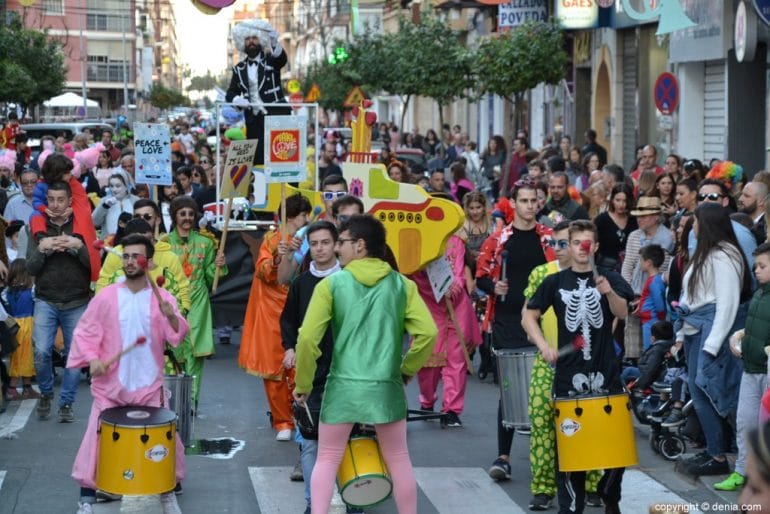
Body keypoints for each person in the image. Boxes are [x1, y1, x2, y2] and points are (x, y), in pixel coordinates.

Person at [294, 214, 438, 514]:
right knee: (398, 458)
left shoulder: (332, 284)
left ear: (360, 246)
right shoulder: (402, 285)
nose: (337, 249)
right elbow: (428, 333)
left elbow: (307, 339)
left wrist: (303, 384)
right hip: (386, 386)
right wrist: (406, 370)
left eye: (342, 243)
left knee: (328, 457)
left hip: (343, 387)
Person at [68, 234, 188, 514]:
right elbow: (86, 332)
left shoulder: (163, 297)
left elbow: (177, 336)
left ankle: (166, 494)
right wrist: (94, 358)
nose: (131, 261)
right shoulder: (106, 297)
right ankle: (86, 498)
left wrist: (170, 315)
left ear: (151, 262)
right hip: (111, 387)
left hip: (148, 387)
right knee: (95, 440)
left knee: (163, 441)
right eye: (127, 256)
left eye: (137, 256)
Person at [523, 219, 634, 514]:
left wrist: (608, 291)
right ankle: (571, 507)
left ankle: (609, 493)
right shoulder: (555, 282)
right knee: (571, 450)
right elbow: (529, 316)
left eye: (587, 243)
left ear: (595, 246)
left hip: (606, 374)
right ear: (569, 246)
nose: (582, 249)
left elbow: (623, 312)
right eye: (576, 243)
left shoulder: (609, 276)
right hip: (569, 378)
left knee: (614, 449)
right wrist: (544, 345)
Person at [476, 179, 556, 481]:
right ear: (513, 204)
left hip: (546, 321)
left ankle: (552, 455)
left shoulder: (550, 238)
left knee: (549, 389)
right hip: (508, 320)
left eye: (533, 200)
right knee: (510, 389)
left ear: (539, 202)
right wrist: (492, 286)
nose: (529, 206)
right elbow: (481, 276)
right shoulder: (498, 240)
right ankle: (503, 456)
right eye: (523, 200)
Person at [523, 221, 602, 510]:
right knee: (543, 425)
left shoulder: (596, 276)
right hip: (549, 366)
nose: (557, 249)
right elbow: (527, 317)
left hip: (585, 366)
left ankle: (592, 484)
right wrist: (544, 346)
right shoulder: (542, 275)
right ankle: (543, 488)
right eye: (553, 243)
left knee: (589, 426)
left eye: (562, 243)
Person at [677, 203, 752, 477]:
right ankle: (714, 450)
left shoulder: (725, 255)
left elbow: (728, 304)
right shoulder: (706, 252)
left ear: (705, 223)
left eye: (695, 221)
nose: (692, 226)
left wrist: (712, 344)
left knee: (711, 391)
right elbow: (690, 296)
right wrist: (679, 335)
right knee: (699, 392)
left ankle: (720, 454)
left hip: (711, 332)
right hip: (695, 328)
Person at [279, 220, 346, 513]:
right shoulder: (301, 283)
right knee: (309, 442)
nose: (320, 249)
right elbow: (288, 321)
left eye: (325, 243)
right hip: (310, 374)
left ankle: (354, 497)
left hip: (347, 372)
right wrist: (290, 348)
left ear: (337, 245)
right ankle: (312, 502)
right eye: (314, 244)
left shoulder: (350, 280)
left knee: (350, 440)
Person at [240, 194, 311, 440]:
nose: (307, 219)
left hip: (302, 305)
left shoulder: (311, 239)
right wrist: (279, 258)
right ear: (292, 215)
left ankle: (302, 416)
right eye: (304, 214)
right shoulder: (272, 240)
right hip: (272, 309)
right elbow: (262, 270)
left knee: (302, 364)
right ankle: (283, 421)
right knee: (275, 370)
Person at [27, 180, 92, 422]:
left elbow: (93, 265)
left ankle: (66, 402)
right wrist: (42, 248)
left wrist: (78, 246)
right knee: (42, 352)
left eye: (60, 200)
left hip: (76, 300)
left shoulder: (82, 223)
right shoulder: (36, 225)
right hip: (46, 298)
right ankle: (45, 393)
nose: (55, 205)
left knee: (73, 356)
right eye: (51, 200)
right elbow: (30, 266)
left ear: (69, 201)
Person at [712, 242, 770, 491]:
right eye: (756, 265)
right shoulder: (759, 294)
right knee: (745, 422)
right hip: (750, 368)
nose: (756, 270)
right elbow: (756, 326)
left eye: (762, 266)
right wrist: (740, 336)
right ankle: (741, 472)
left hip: (767, 371)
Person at [412, 233, 481, 427]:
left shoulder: (455, 240)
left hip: (456, 306)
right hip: (428, 305)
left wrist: (454, 287)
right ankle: (427, 400)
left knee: (456, 361)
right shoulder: (414, 239)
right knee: (428, 361)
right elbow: (410, 273)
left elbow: (458, 271)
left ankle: (451, 409)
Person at [165, 196, 227, 410]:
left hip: (198, 301)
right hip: (172, 302)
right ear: (175, 216)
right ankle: (174, 400)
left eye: (191, 214)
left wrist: (218, 266)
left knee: (195, 353)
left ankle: (191, 401)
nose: (187, 218)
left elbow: (211, 278)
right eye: (183, 214)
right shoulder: (163, 243)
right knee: (174, 351)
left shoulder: (206, 242)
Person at [225, 19, 290, 165]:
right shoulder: (238, 68)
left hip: (277, 117)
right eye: (247, 39)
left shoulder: (271, 60)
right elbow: (231, 92)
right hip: (254, 120)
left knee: (282, 160)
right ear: (243, 42)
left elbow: (282, 60)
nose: (251, 42)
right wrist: (236, 99)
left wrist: (274, 43)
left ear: (261, 39)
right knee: (258, 161)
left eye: (254, 37)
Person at [621, 196, 674, 359]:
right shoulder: (633, 236)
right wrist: (629, 295)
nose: (639, 219)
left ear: (657, 216)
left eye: (644, 216)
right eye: (638, 216)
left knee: (652, 344)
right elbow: (627, 266)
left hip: (652, 300)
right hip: (633, 296)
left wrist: (645, 299)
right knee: (633, 344)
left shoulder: (668, 238)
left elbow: (663, 272)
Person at [3, 259, 39, 401]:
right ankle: (12, 389)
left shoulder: (8, 292)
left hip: (13, 325)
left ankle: (27, 388)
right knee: (23, 358)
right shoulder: (31, 291)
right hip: (27, 326)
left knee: (20, 357)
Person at [637, 244, 667, 350]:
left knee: (649, 350)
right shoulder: (653, 280)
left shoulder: (654, 281)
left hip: (652, 321)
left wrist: (659, 319)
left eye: (641, 260)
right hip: (648, 320)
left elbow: (659, 304)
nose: (639, 263)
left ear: (649, 263)